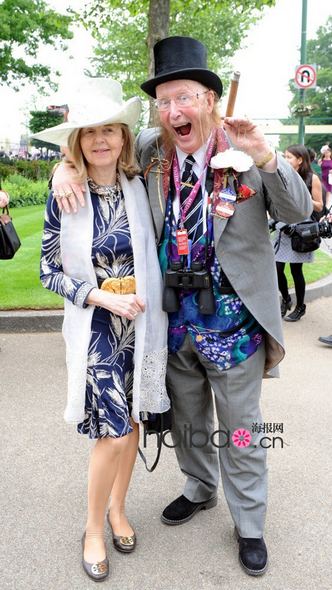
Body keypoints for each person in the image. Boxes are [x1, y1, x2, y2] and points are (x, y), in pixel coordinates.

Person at [51, 37, 312, 576]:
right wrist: (63, 170)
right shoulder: (151, 151)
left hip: (233, 327)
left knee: (241, 428)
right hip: (173, 324)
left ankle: (250, 522)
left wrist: (265, 156)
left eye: (185, 97)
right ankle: (199, 487)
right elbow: (97, 147)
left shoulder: (244, 151)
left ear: (210, 99)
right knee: (190, 420)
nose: (173, 111)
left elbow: (299, 208)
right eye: (164, 101)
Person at [34, 78, 170, 582]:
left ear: (123, 136)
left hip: (142, 322)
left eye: (110, 130)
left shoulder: (140, 187)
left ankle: (118, 508)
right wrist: (98, 295)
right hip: (98, 327)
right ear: (77, 143)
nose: (101, 140)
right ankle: (94, 527)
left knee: (132, 423)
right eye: (89, 133)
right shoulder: (66, 195)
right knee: (111, 432)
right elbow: (48, 271)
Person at [274, 145, 323, 322]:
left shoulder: (312, 178)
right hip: (283, 227)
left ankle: (300, 306)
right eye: (285, 157)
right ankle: (286, 299)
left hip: (301, 231)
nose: (285, 160)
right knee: (277, 268)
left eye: (289, 157)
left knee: (296, 270)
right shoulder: (283, 175)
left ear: (300, 160)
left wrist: (303, 196)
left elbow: (319, 205)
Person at [319, 144, 332, 209]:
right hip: (323, 176)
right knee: (323, 190)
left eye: (328, 152)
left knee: (329, 191)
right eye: (326, 152)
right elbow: (319, 168)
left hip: (329, 177)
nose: (327, 153)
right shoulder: (321, 160)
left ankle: (328, 205)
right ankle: (323, 203)